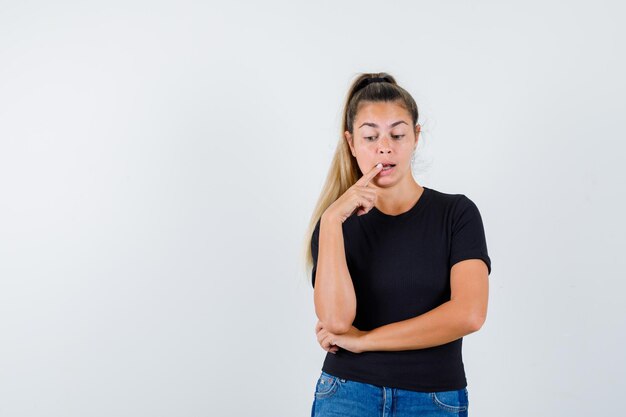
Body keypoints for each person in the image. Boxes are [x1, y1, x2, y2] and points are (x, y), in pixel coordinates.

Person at [303, 72, 492, 417]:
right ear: (351, 142)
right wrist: (331, 222)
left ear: (416, 136)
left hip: (433, 400)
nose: (385, 147)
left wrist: (365, 341)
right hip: (346, 396)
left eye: (398, 134)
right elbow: (335, 320)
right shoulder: (334, 225)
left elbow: (469, 314)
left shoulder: (456, 214)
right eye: (371, 136)